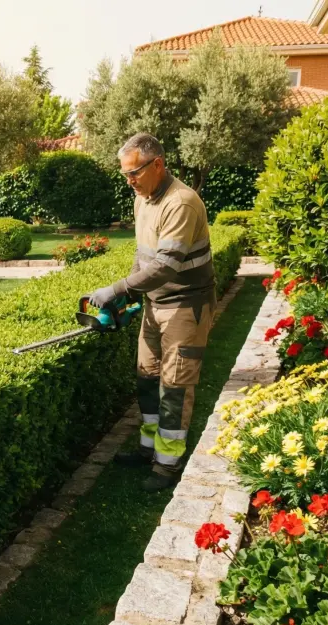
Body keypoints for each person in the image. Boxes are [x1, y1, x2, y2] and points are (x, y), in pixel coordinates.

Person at [88, 133, 216, 492]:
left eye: (135, 173)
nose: (129, 181)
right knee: (147, 377)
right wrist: (129, 296)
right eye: (125, 175)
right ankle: (148, 449)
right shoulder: (143, 200)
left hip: (185, 304)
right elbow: (144, 257)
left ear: (157, 164)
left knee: (174, 385)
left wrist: (116, 289)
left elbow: (166, 266)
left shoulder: (182, 202)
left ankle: (167, 464)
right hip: (154, 304)